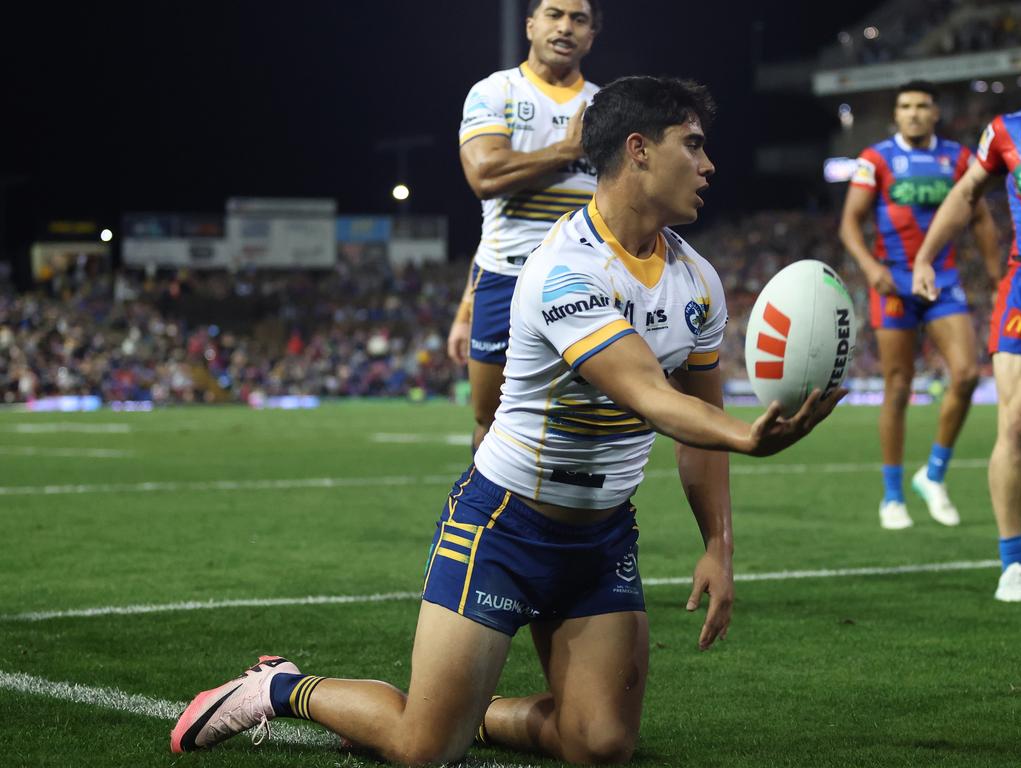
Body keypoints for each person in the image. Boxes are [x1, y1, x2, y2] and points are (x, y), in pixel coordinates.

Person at [171, 76, 845, 766]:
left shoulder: (696, 280)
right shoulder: (563, 267)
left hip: (602, 539)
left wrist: (718, 546)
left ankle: (471, 714)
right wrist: (750, 437)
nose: (709, 166)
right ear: (638, 150)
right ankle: (283, 687)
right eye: (694, 146)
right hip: (504, 526)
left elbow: (703, 416)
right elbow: (647, 391)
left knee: (603, 746)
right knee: (423, 751)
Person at [839, 79, 1001, 531]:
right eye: (905, 106)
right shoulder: (876, 160)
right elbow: (849, 224)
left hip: (944, 281)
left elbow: (982, 219)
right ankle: (892, 495)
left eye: (921, 106)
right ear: (897, 114)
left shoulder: (959, 158)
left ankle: (933, 474)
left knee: (967, 375)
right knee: (897, 385)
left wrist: (995, 276)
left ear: (935, 112)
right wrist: (871, 268)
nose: (913, 113)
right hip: (893, 281)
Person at [448, 0, 600, 452]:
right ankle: (488, 519)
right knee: (491, 419)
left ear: (591, 36)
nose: (565, 27)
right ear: (531, 25)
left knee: (586, 418)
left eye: (579, 19)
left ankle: (574, 519)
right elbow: (484, 176)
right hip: (506, 279)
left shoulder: (608, 106)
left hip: (586, 282)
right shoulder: (496, 91)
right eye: (554, 14)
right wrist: (566, 151)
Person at [912, 110, 1021, 602]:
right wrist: (925, 255)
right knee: (1016, 425)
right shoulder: (1007, 130)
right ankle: (1014, 563)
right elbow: (965, 193)